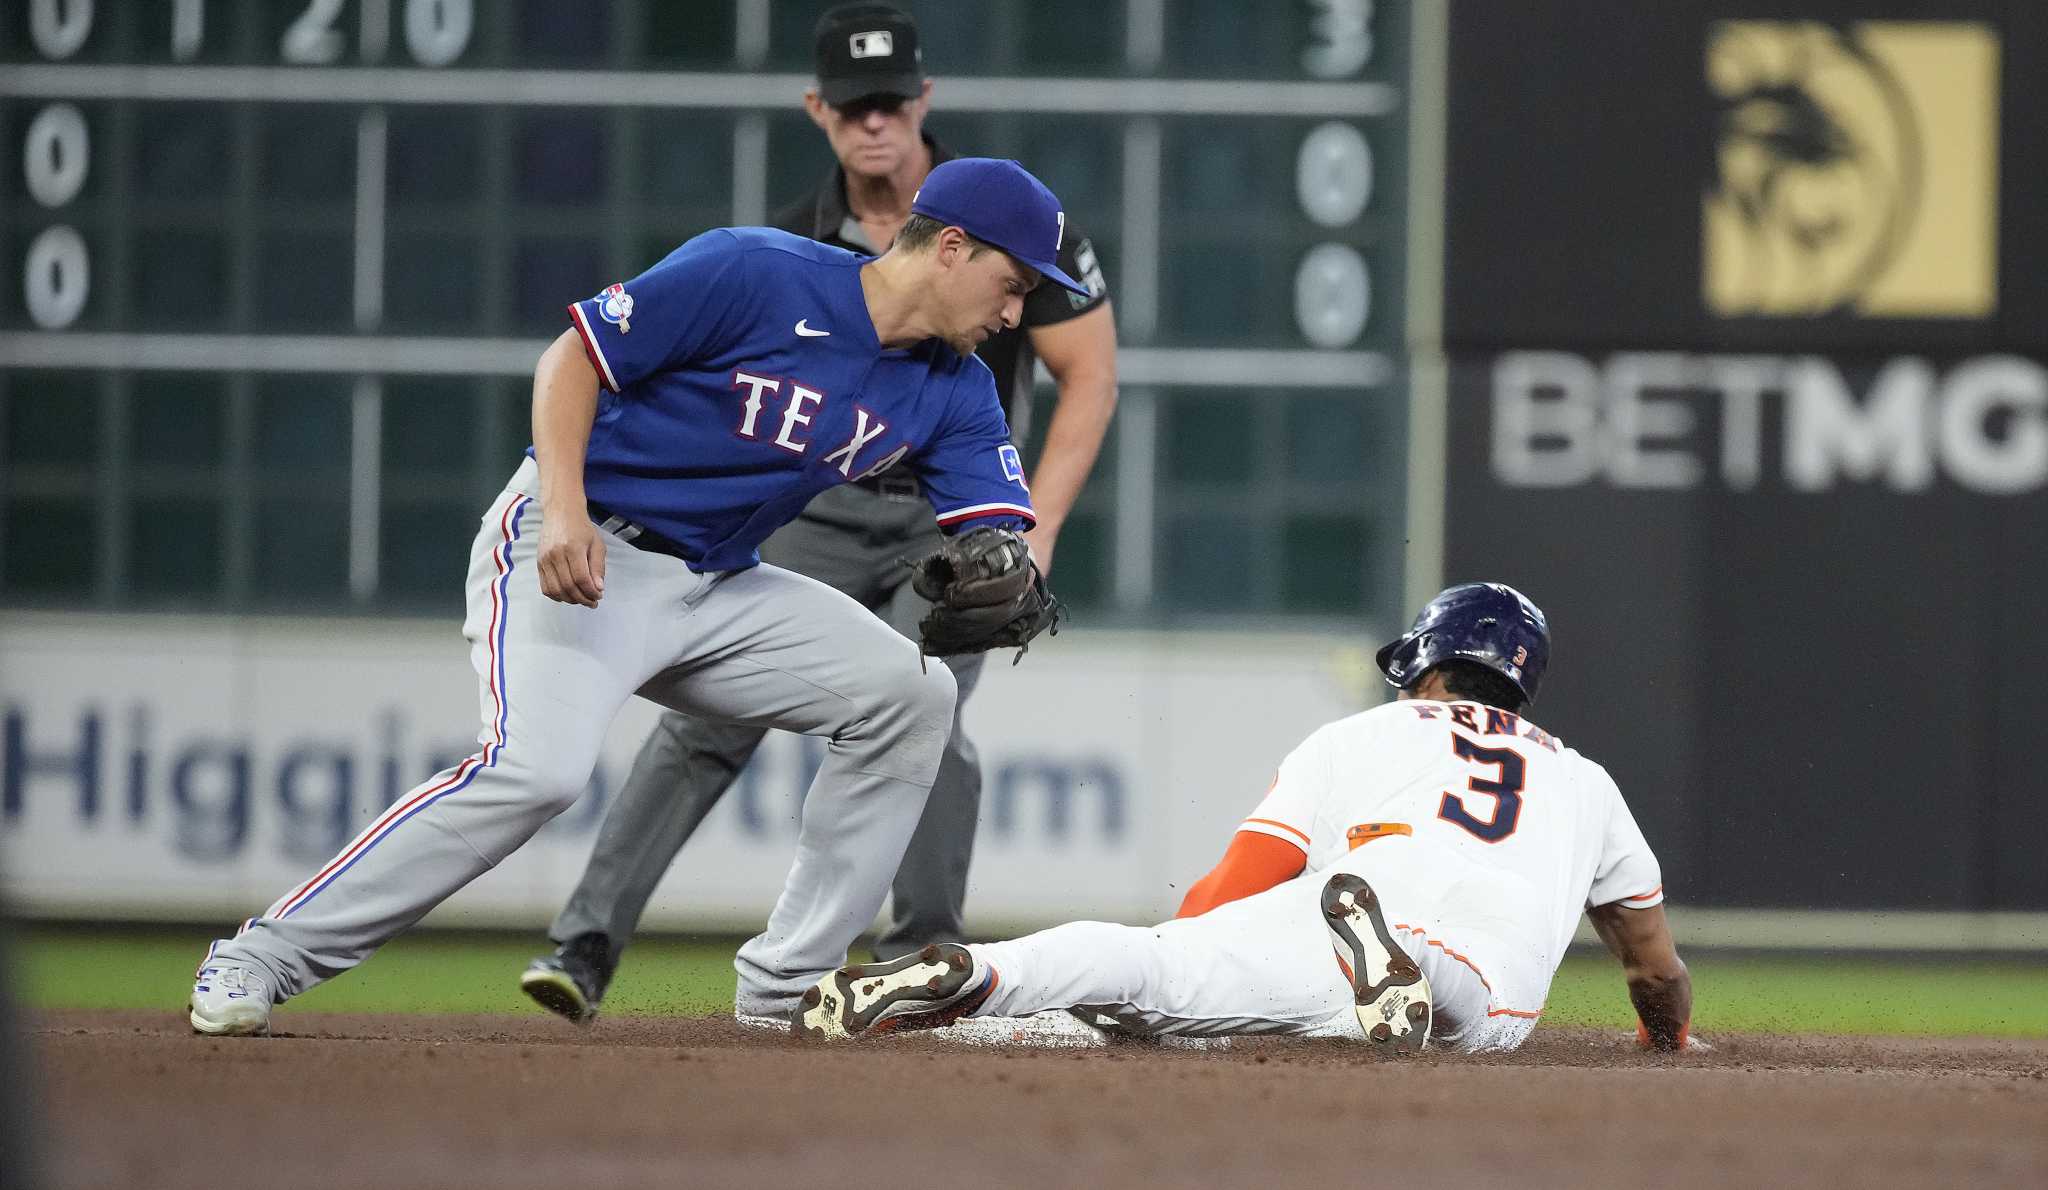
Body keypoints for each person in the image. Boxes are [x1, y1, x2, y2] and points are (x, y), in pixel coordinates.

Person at [187, 156, 1093, 1035]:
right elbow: (570, 362)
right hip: (580, 550)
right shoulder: (754, 270)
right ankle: (262, 956)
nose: (1019, 313)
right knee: (536, 773)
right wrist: (566, 506)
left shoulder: (959, 389)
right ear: (949, 248)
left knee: (914, 694)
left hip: (719, 583)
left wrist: (993, 559)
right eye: (1012, 283)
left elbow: (990, 526)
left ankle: (789, 984)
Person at [519, 1, 1117, 1023]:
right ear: (818, 112)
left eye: (889, 101)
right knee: (706, 727)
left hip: (947, 509)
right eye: (852, 106)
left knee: (925, 704)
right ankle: (584, 942)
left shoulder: (1006, 225)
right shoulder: (792, 239)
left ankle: (920, 951)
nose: (873, 122)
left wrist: (1033, 528)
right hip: (818, 494)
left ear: (924, 100)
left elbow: (1088, 378)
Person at [793, 583, 1699, 1054]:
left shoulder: (1365, 731)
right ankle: (1413, 970)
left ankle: (978, 967)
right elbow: (1655, 969)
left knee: (1150, 970)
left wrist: (1183, 964)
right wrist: (1669, 1041)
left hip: (1348, 899)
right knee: (1480, 1014)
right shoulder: (1584, 780)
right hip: (1467, 930)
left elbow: (1240, 882)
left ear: (1425, 665)